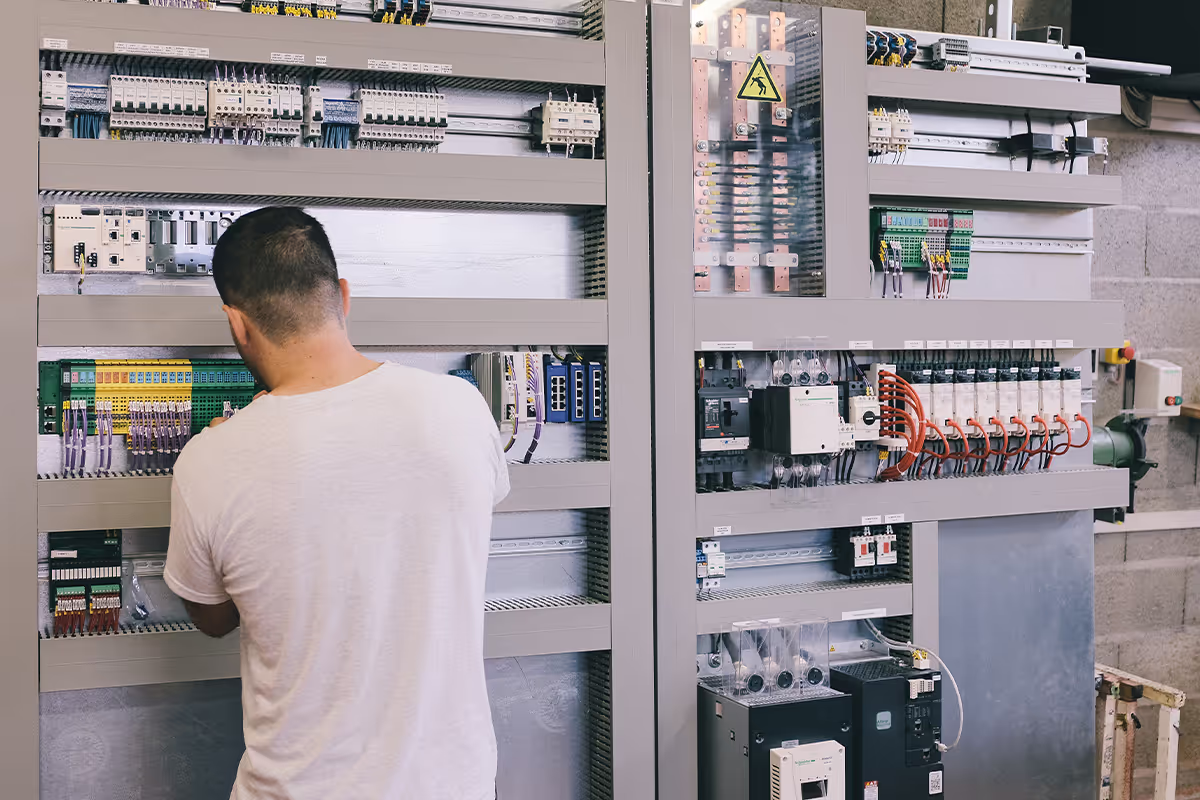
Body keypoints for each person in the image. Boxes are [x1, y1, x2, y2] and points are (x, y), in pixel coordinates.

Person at [164, 206, 509, 800]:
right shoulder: (461, 408)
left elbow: (213, 618)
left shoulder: (209, 461)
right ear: (343, 296)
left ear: (237, 324)